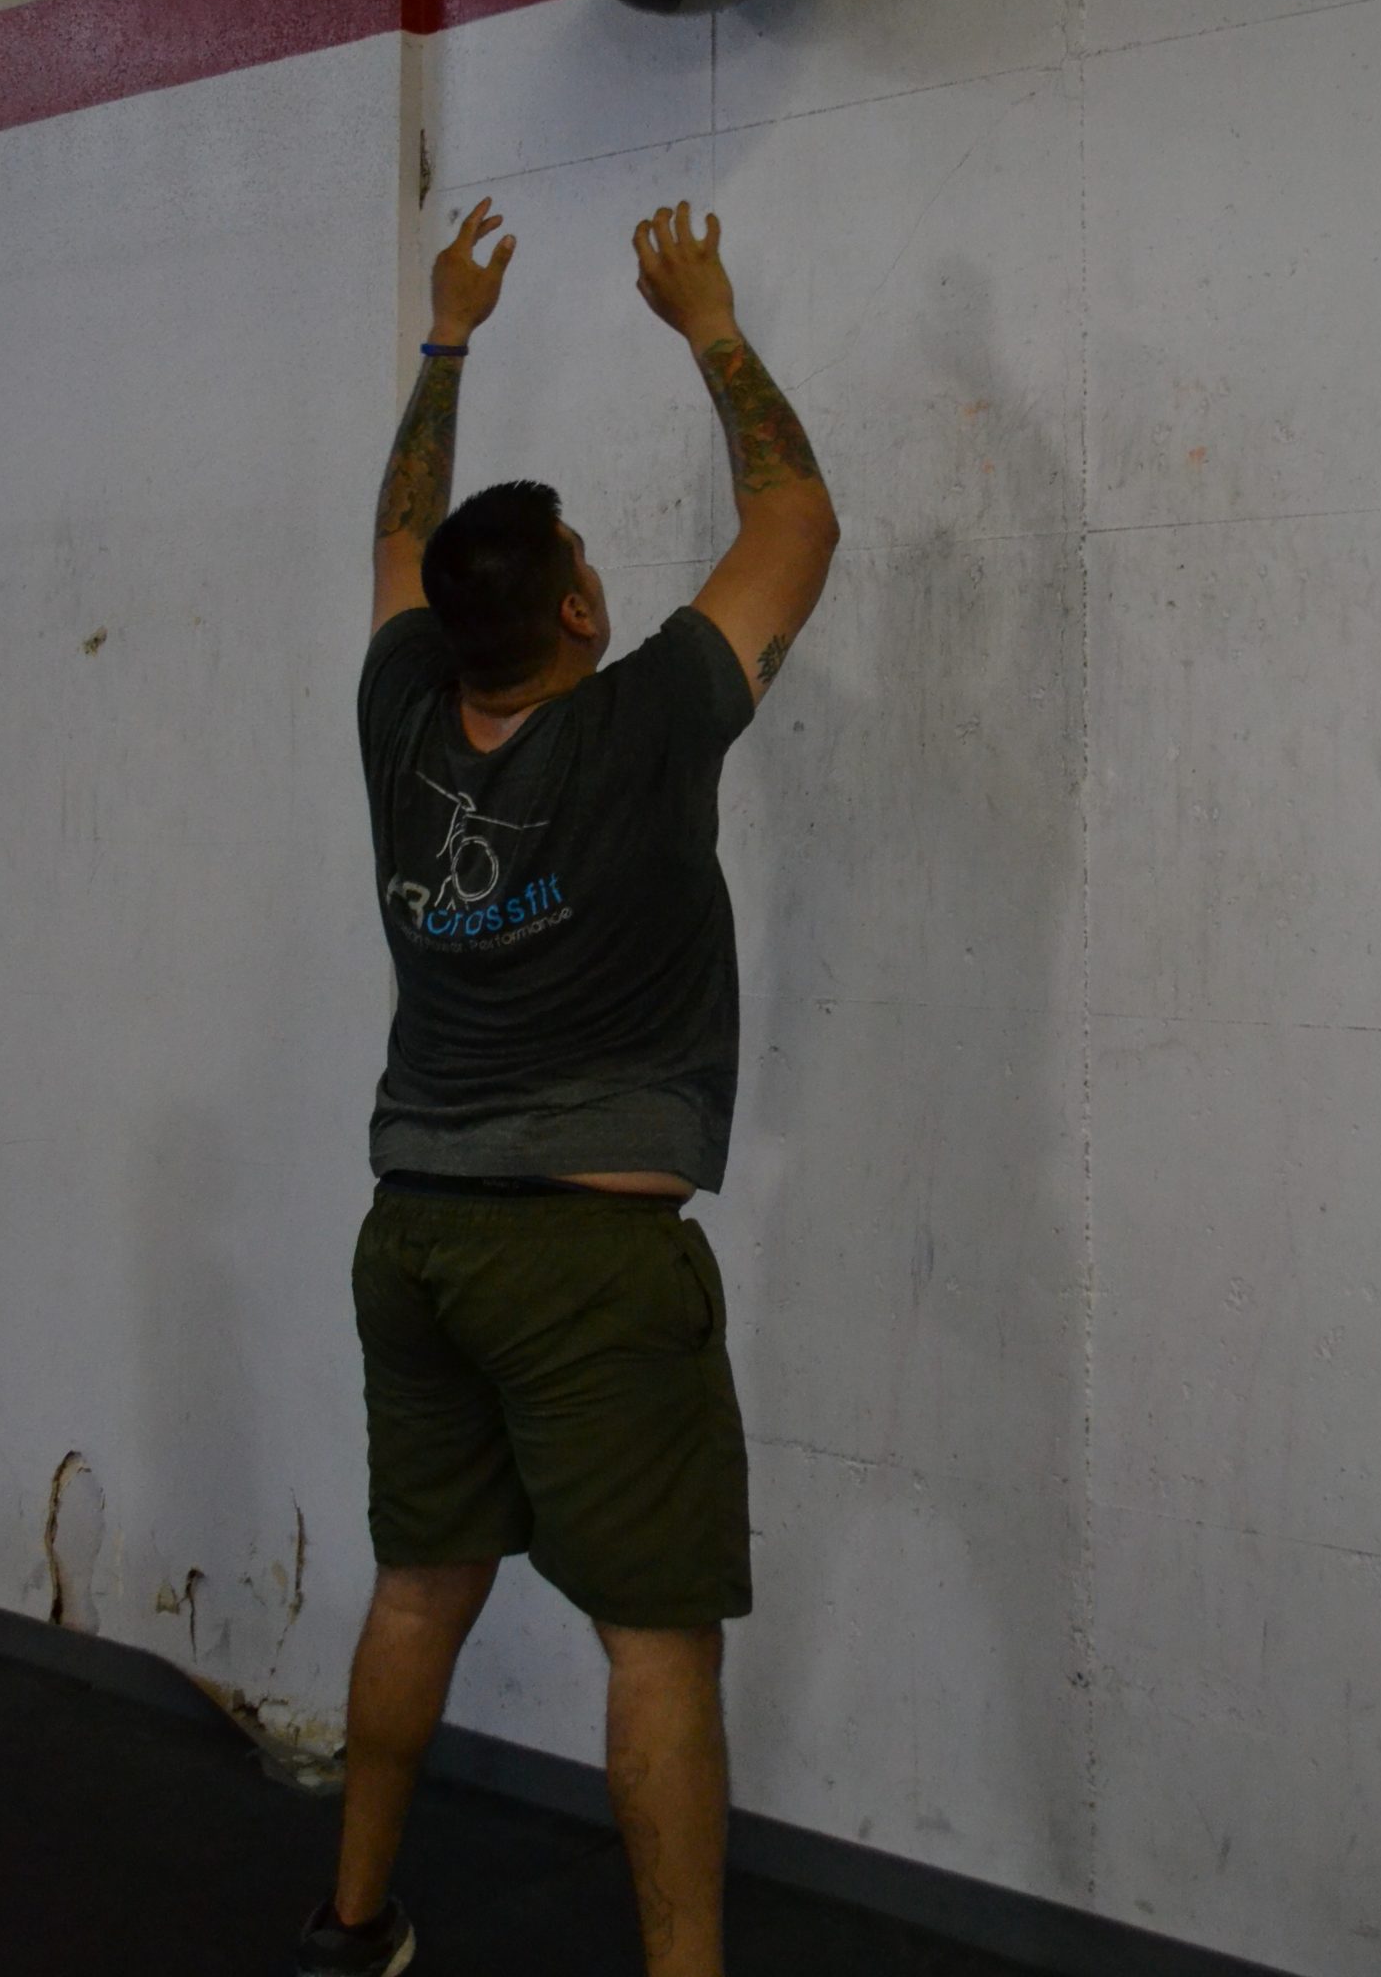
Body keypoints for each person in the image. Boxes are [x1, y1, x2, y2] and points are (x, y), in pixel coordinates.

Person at [296, 198, 840, 1977]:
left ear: (458, 632)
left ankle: (349, 1926)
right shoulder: (647, 718)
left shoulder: (398, 712)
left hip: (417, 1241)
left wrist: (449, 335)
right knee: (658, 1647)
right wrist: (711, 323)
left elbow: (400, 532)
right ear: (584, 607)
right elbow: (795, 519)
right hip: (589, 1265)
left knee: (415, 1590)